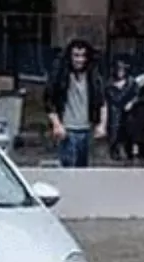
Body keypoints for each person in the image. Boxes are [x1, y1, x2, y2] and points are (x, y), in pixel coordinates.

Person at [44, 38, 106, 167]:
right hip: (68, 129)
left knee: (84, 169)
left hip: (87, 129)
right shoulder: (61, 75)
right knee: (69, 168)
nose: (79, 60)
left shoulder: (93, 76)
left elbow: (102, 101)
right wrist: (57, 125)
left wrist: (102, 125)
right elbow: (49, 101)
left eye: (83, 56)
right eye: (76, 56)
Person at [104, 58, 137, 162]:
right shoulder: (110, 83)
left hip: (128, 112)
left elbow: (136, 94)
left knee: (129, 132)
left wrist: (131, 102)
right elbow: (108, 96)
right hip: (114, 111)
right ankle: (114, 152)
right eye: (119, 70)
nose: (121, 73)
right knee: (114, 132)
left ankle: (129, 152)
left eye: (123, 70)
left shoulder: (131, 82)